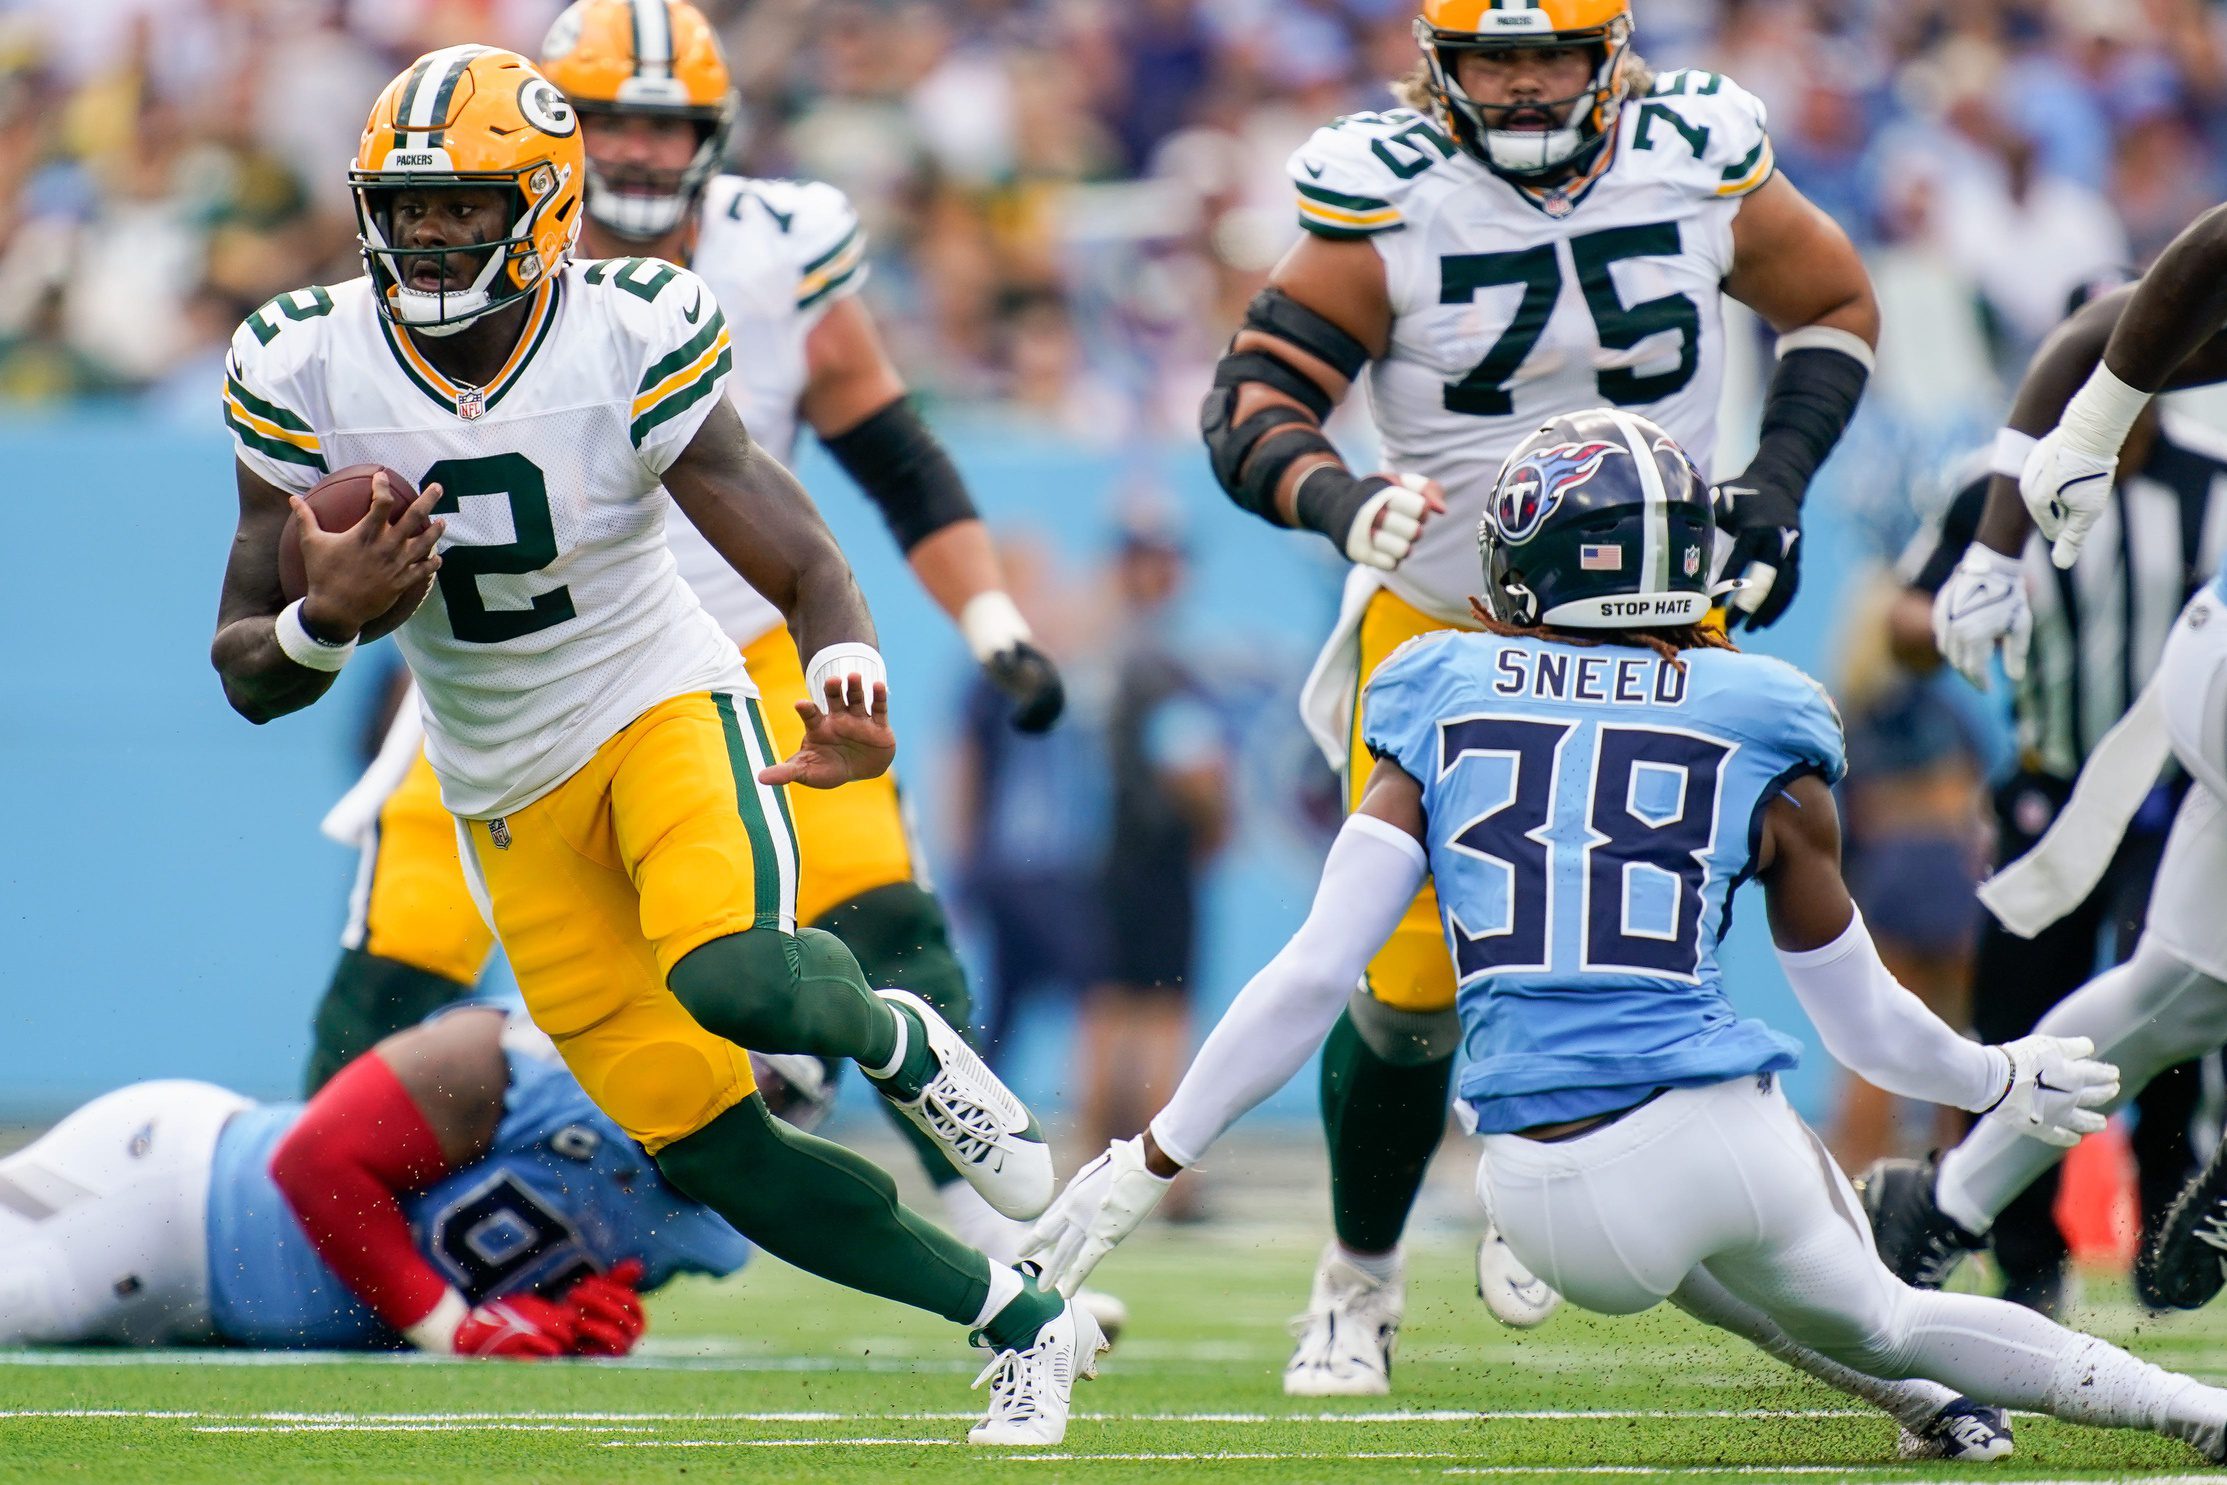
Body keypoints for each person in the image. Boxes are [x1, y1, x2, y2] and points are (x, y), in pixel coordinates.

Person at [1021, 410, 2227, 1467]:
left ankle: (1923, 1405)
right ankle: (2190, 1410)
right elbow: (1862, 1023)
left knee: (1705, 1271)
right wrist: (1995, 1076)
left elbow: (1312, 975)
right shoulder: (1759, 716)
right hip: (1707, 1143)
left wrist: (1151, 1156)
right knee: (1880, 1307)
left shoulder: (1438, 686)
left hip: (1534, 1184)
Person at [209, 46, 1094, 1443]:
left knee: (738, 976)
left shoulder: (626, 325)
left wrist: (849, 673)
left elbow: (798, 549)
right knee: (713, 1147)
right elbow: (248, 667)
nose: (430, 237)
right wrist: (326, 621)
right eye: (408, 207)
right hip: (502, 787)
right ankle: (1014, 1320)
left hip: (655, 707)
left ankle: (888, 1029)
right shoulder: (301, 358)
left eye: (464, 207)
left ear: (544, 206)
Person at [1196, 0, 1879, 1391]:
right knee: (1399, 995)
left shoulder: (1696, 158)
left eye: (1548, 55)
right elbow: (1251, 398)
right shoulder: (1387, 198)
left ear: (1607, 57)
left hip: (1657, 632)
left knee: (1657, 942)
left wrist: (1772, 484)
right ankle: (1357, 1277)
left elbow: (1832, 304)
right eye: (1491, 58)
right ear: (1437, 69)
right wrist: (1335, 498)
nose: (1519, 84)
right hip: (1448, 626)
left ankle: (1546, 1171)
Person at [1867, 205, 2227, 1314]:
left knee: (2175, 993)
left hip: (2190, 709)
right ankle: (2028, 1256)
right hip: (2101, 752)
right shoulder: (2043, 436)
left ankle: (1945, 1203)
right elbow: (2118, 319)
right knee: (2054, 992)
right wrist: (1996, 542)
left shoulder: (2199, 475)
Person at [0, 1004, 821, 1353]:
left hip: (228, 1317)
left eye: (785, 1100)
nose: (752, 1105)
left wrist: (562, 1325)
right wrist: (455, 1328)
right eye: (754, 1073)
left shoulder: (707, 1232)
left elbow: (502, 1283)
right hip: (166, 1199)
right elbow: (313, 1162)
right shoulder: (532, 1059)